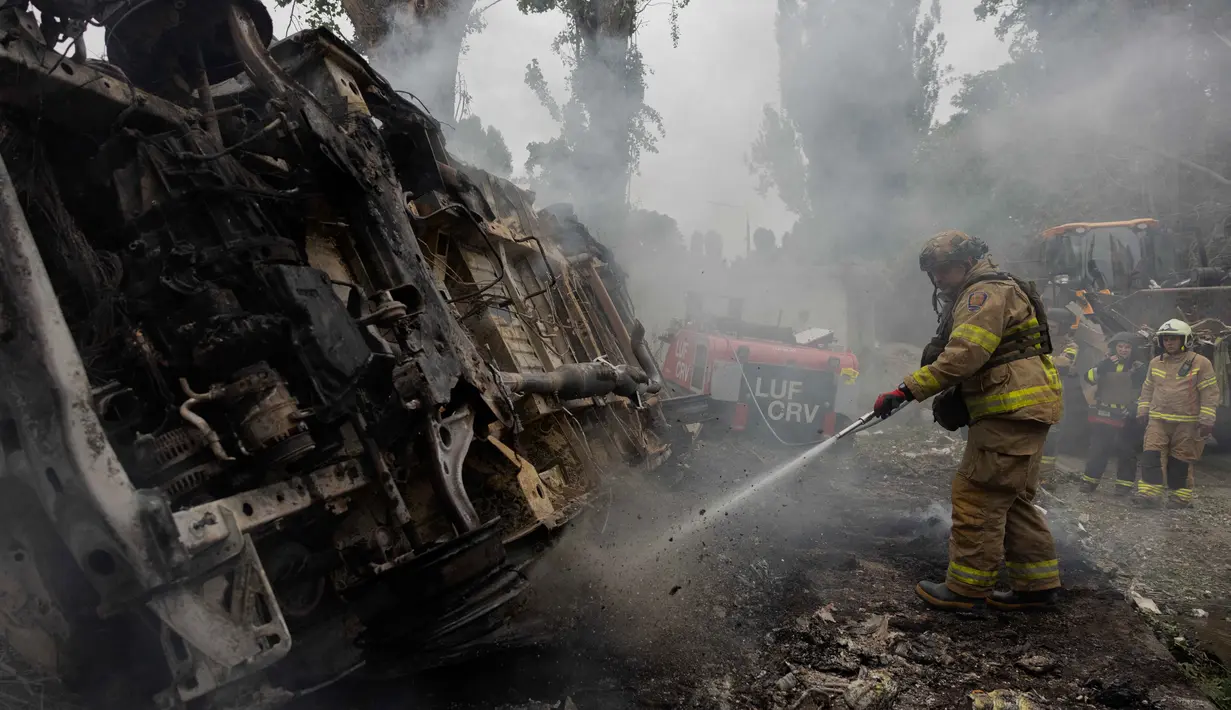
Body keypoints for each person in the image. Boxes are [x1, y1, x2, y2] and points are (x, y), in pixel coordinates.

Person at [873, 230, 1064, 611]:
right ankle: (1036, 588)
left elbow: (965, 355)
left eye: (944, 270)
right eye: (933, 273)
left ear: (967, 263)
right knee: (1012, 500)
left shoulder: (984, 294)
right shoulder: (996, 289)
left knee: (978, 494)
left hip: (1007, 410)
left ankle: (966, 590)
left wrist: (907, 389)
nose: (939, 279)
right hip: (1024, 411)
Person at [1135, 319, 1219, 507]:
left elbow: (1209, 393)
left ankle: (1180, 498)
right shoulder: (1156, 363)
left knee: (1180, 461)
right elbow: (1147, 389)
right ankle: (1149, 496)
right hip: (1158, 420)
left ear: (1186, 340)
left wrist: (1207, 420)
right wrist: (1142, 410)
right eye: (1166, 339)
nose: (1169, 342)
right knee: (1152, 456)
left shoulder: (1200, 363)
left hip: (1187, 423)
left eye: (1174, 339)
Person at [1080, 333, 1147, 495]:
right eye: (1120, 346)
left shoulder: (1139, 367)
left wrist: (1134, 407)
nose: (1123, 350)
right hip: (1105, 412)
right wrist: (1102, 367)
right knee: (1099, 448)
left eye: (1127, 347)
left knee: (1127, 450)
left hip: (1127, 414)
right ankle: (1089, 482)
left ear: (1132, 349)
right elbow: (1089, 378)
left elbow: (1145, 389)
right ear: (1115, 347)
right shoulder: (1107, 363)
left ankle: (1123, 486)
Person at [1040, 307, 1079, 484]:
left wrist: (1037, 359)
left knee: (1051, 437)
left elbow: (1064, 363)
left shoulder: (1070, 346)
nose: (1050, 329)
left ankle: (1045, 476)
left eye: (1054, 326)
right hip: (1032, 394)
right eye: (1048, 325)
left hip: (1054, 395)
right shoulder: (1037, 340)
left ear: (1063, 328)